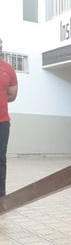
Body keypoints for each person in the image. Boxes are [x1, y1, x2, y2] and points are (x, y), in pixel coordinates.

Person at [0, 38, 18, 198]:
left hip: (2, 122)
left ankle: (1, 195)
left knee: (0, 158)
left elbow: (12, 95)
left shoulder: (8, 69)